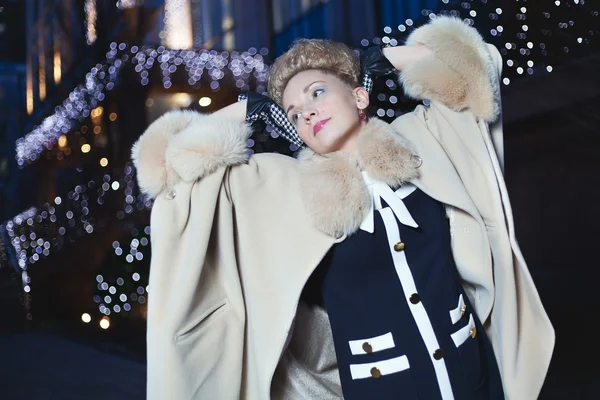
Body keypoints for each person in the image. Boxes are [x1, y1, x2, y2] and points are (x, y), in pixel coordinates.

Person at [132, 16, 554, 400]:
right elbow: (171, 169)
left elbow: (474, 70)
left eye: (317, 92)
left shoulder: (421, 141)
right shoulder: (284, 186)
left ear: (359, 96)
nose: (307, 111)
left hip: (476, 382)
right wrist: (251, 110)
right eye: (294, 113)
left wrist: (382, 57)